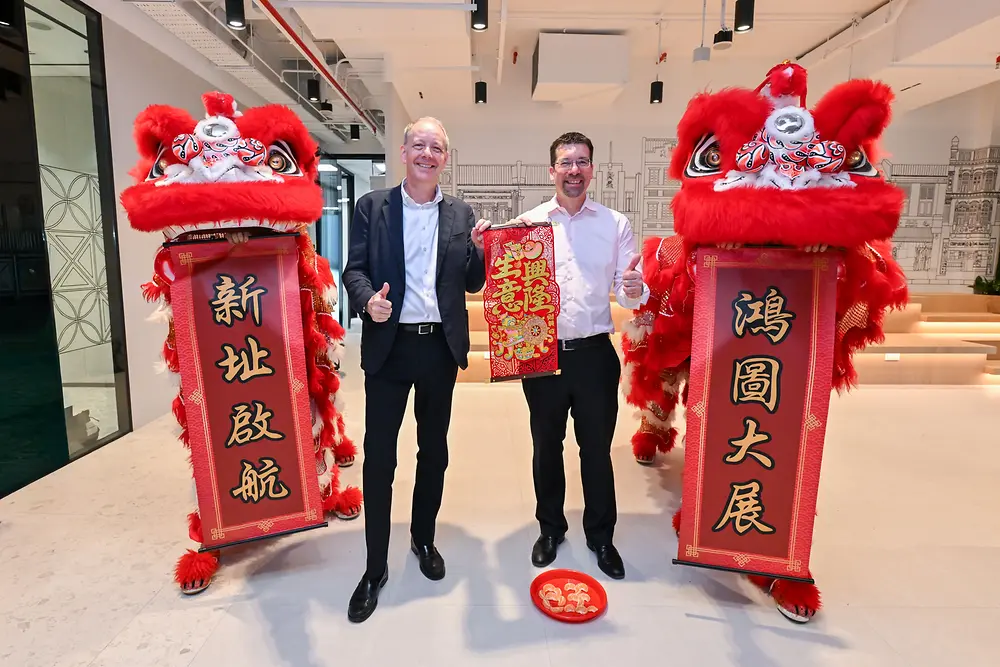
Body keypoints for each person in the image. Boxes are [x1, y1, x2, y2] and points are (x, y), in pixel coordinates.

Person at [471, 131, 648, 580]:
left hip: (594, 356)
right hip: (542, 354)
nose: (574, 170)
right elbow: (505, 286)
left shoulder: (615, 224)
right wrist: (482, 251)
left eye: (582, 162)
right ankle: (550, 529)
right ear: (551, 170)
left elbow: (634, 292)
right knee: (546, 447)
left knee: (596, 450)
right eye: (566, 162)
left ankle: (601, 536)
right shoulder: (528, 223)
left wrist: (634, 289)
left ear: (592, 169)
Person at [342, 117, 486, 623]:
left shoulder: (461, 213)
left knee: (434, 450)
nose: (428, 153)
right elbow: (353, 271)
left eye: (438, 147)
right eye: (419, 145)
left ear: (446, 157)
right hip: (388, 347)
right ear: (403, 152)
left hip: (437, 351)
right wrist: (368, 304)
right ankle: (374, 567)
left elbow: (472, 283)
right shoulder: (372, 207)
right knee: (380, 458)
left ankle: (423, 538)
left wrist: (478, 249)